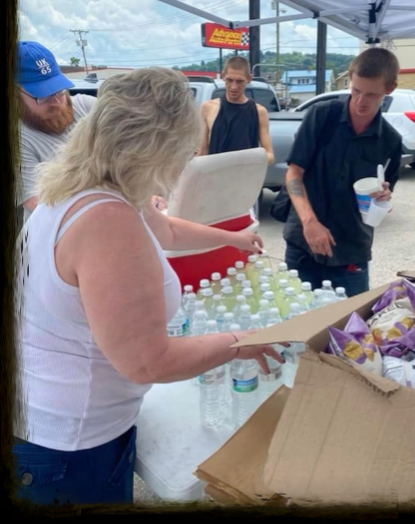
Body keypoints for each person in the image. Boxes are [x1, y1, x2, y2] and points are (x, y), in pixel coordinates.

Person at [13, 67, 286, 507]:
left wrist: (232, 238)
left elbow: (168, 231)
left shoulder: (90, 185)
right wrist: (238, 342)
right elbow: (147, 361)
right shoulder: (108, 222)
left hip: (53, 419)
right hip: (69, 443)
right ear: (160, 146)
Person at [283, 47, 403, 297]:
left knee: (351, 320)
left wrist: (383, 196)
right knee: (296, 317)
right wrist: (310, 222)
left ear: (390, 89)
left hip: (350, 250)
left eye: (371, 94)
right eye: (356, 90)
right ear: (350, 79)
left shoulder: (390, 141)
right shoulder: (322, 115)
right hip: (303, 244)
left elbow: (384, 194)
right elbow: (294, 173)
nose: (360, 101)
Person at [14, 41, 97, 227]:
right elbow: (41, 205)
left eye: (59, 90)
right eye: (43, 95)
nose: (57, 102)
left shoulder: (87, 106)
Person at [198, 56, 274, 218]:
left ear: (249, 79)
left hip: (244, 188)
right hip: (213, 186)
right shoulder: (208, 108)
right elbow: (202, 151)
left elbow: (269, 155)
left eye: (239, 81)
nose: (234, 86)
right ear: (222, 76)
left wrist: (240, 160)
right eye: (229, 80)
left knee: (244, 230)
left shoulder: (258, 112)